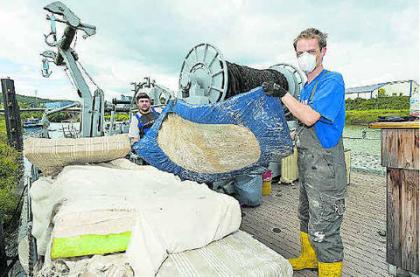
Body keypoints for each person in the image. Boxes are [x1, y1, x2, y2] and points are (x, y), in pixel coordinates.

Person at [262, 28, 346, 276]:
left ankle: (330, 271)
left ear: (323, 52)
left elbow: (308, 117)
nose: (306, 56)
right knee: (306, 214)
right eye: (301, 52)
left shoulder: (332, 81)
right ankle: (309, 257)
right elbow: (301, 125)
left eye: (311, 51)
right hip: (308, 166)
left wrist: (282, 93)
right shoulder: (307, 88)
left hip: (327, 168)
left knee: (325, 224)